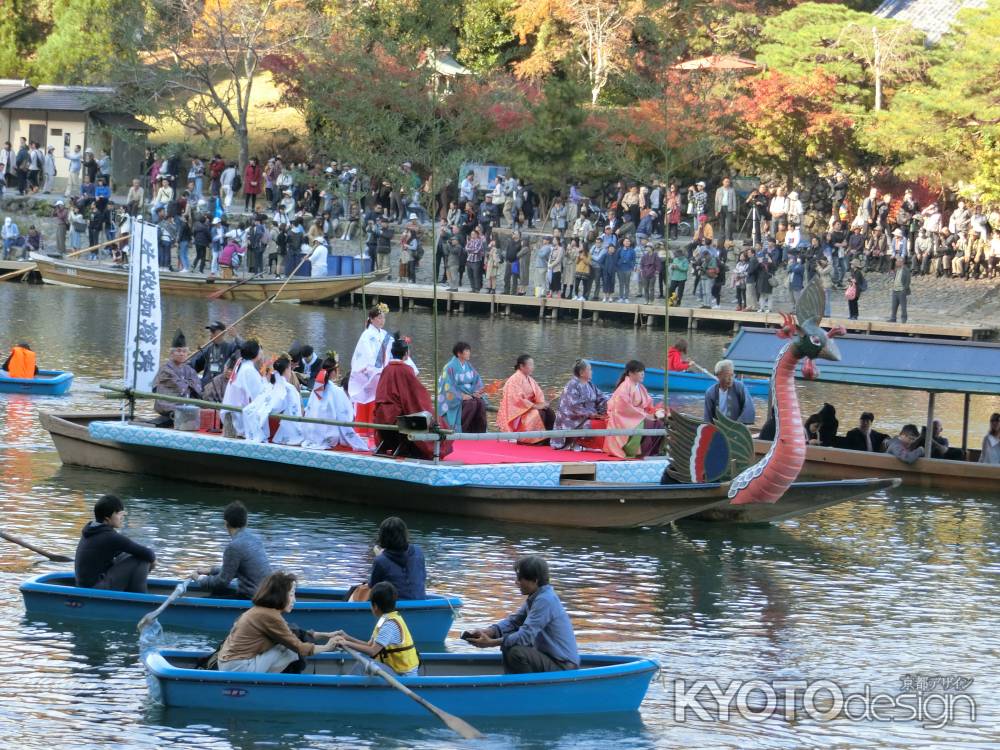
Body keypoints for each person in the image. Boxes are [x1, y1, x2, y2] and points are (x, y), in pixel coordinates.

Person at [465, 556, 579, 674]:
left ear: (535, 580)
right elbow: (514, 621)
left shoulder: (545, 600)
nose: (516, 582)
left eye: (520, 578)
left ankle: (524, 688)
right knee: (510, 642)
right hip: (551, 659)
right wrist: (490, 631)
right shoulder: (537, 596)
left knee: (515, 651)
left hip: (563, 666)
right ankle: (516, 685)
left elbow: (525, 636)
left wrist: (491, 643)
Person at [218, 571, 338, 673]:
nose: (294, 600)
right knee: (290, 651)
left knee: (288, 643)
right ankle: (285, 686)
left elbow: (292, 633)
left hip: (229, 664)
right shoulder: (270, 616)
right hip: (238, 668)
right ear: (280, 595)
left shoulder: (260, 611)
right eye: (291, 595)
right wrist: (327, 647)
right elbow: (299, 647)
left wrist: (326, 635)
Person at [373, 338, 450, 460]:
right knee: (436, 420)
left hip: (381, 415)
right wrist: (427, 400)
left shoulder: (386, 369)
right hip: (397, 417)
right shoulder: (405, 370)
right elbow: (416, 395)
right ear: (406, 354)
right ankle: (426, 449)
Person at [329, 582, 420, 677]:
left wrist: (346, 643)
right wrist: (347, 638)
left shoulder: (389, 625)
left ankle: (345, 688)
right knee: (362, 656)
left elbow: (372, 651)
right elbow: (369, 645)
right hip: (394, 670)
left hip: (403, 676)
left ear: (375, 606)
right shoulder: (385, 619)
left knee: (362, 664)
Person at [74, 495, 156, 593]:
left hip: (85, 585)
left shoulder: (92, 529)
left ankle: (132, 591)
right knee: (142, 559)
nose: (122, 517)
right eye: (118, 514)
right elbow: (148, 554)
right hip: (95, 589)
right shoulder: (110, 536)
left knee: (130, 554)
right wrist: (153, 561)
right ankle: (141, 598)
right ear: (107, 518)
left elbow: (124, 552)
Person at [192, 501, 271, 598]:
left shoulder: (234, 547)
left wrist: (199, 578)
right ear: (246, 522)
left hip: (253, 598)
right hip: (266, 594)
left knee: (207, 598)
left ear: (226, 523)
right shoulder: (256, 540)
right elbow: (234, 570)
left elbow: (222, 582)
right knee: (217, 592)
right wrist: (210, 571)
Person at [301, 354, 370, 451]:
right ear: (333, 372)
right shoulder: (337, 391)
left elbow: (309, 408)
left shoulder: (316, 388)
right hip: (329, 434)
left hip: (311, 432)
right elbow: (346, 414)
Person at [604, 360, 666, 458]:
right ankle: (641, 452)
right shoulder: (624, 387)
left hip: (637, 415)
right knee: (652, 424)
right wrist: (645, 415)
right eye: (640, 371)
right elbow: (623, 407)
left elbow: (648, 405)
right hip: (625, 418)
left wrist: (656, 411)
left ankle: (655, 451)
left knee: (662, 422)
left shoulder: (640, 387)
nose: (643, 374)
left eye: (643, 371)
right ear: (631, 373)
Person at [349, 305, 394, 433]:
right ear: (372, 319)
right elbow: (366, 356)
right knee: (366, 401)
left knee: (376, 403)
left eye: (383, 318)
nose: (382, 320)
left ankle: (374, 431)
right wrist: (373, 369)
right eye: (379, 318)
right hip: (368, 374)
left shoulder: (384, 335)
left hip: (380, 373)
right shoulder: (367, 335)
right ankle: (363, 430)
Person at [243, 355, 304, 445]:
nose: (290, 372)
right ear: (287, 369)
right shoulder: (289, 388)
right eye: (290, 369)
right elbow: (295, 411)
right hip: (279, 421)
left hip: (266, 415)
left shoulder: (269, 385)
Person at [551, 359, 608, 451]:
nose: (591, 372)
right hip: (573, 419)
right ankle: (583, 444)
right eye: (589, 370)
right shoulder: (572, 385)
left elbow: (601, 397)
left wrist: (607, 407)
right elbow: (574, 407)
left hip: (588, 415)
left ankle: (599, 446)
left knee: (608, 420)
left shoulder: (590, 384)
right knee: (597, 424)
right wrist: (592, 415)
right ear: (582, 372)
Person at [496, 354, 555, 444]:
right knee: (538, 413)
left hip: (529, 407)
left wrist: (542, 404)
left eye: (533, 365)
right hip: (518, 413)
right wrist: (535, 406)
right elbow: (517, 400)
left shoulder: (530, 379)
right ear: (521, 366)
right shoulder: (513, 380)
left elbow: (538, 394)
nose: (532, 367)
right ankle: (531, 439)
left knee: (549, 411)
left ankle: (549, 439)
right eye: (530, 365)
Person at [366, 517, 426, 600]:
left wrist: (380, 556)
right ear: (405, 534)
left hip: (393, 606)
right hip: (420, 603)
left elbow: (373, 587)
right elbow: (422, 577)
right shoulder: (419, 552)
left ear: (382, 536)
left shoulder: (380, 561)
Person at [437, 342, 488, 433]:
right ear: (459, 353)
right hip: (456, 396)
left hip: (469, 394)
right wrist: (461, 396)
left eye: (469, 351)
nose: (469, 353)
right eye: (466, 351)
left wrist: (477, 392)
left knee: (480, 402)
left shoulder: (469, 366)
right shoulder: (449, 367)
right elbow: (447, 386)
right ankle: (461, 431)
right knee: (471, 404)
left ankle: (479, 432)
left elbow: (477, 380)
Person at [151, 330, 202, 421]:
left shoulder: (189, 369)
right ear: (171, 353)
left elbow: (198, 386)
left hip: (188, 408)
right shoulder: (165, 369)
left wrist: (186, 384)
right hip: (169, 408)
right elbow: (178, 386)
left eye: (184, 351)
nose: (182, 354)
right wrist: (189, 384)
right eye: (178, 351)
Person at [222, 339, 267, 438]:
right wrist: (264, 378)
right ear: (255, 353)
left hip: (231, 410)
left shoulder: (240, 363)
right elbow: (260, 394)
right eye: (259, 350)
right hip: (238, 415)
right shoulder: (249, 370)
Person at [703, 359, 755, 424]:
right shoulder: (710, 393)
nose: (730, 379)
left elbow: (748, 407)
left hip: (736, 429)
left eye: (732, 375)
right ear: (718, 375)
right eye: (727, 375)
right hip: (717, 429)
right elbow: (708, 417)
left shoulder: (739, 387)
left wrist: (737, 425)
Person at [193, 321, 239, 387]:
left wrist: (236, 336)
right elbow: (194, 364)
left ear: (222, 333)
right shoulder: (207, 350)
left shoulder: (231, 347)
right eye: (210, 332)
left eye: (213, 332)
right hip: (206, 386)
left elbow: (245, 350)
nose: (211, 334)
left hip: (222, 387)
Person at [888, 257, 911, 324]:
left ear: (901, 262)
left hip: (901, 291)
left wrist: (905, 289)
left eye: (897, 261)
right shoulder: (896, 269)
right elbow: (891, 274)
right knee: (894, 306)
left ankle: (904, 319)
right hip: (895, 290)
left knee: (903, 306)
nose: (896, 263)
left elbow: (908, 280)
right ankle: (893, 318)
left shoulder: (906, 270)